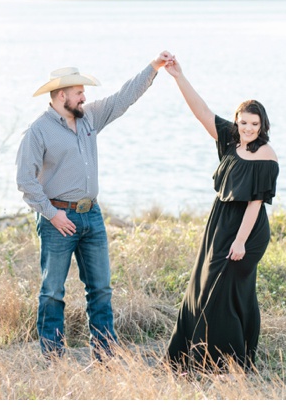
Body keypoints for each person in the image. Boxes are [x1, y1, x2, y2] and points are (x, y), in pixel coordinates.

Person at [15, 56, 172, 358]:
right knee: (53, 292)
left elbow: (123, 98)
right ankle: (53, 357)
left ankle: (105, 355)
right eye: (78, 92)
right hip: (58, 219)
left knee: (100, 290)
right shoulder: (39, 131)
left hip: (93, 216)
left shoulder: (89, 118)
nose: (84, 97)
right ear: (62, 96)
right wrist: (51, 214)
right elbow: (25, 180)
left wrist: (153, 68)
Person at [163, 56, 278, 371]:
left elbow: (255, 203)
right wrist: (178, 77)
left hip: (247, 230)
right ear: (237, 121)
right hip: (219, 224)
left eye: (254, 124)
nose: (248, 129)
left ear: (262, 125)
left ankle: (227, 364)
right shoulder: (230, 140)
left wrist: (240, 242)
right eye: (244, 122)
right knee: (204, 285)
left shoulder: (266, 155)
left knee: (222, 291)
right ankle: (195, 357)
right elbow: (201, 112)